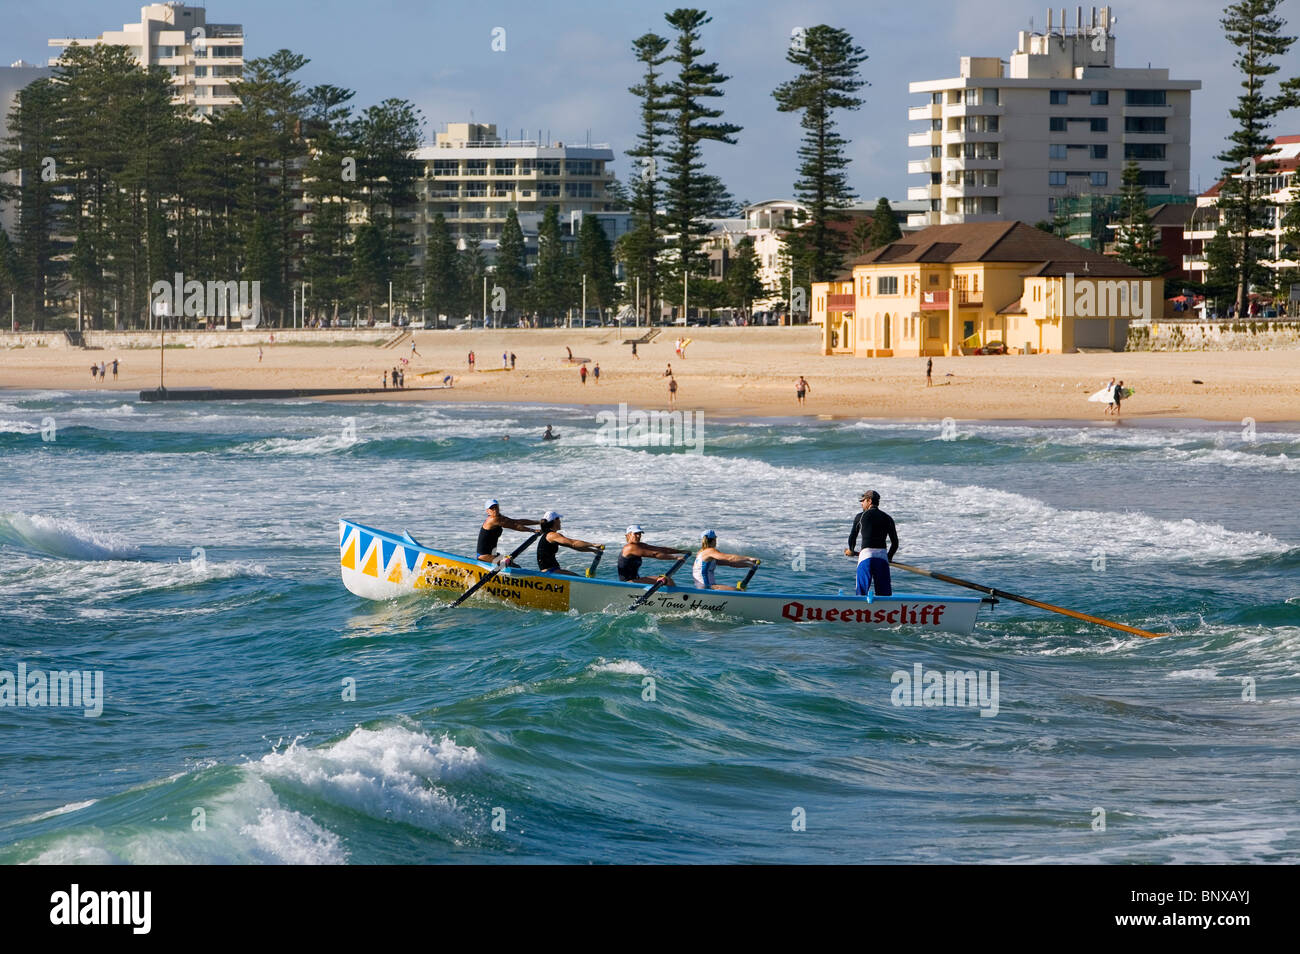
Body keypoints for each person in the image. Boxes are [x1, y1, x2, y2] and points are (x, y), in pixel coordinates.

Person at [845, 490, 898, 597]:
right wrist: (889, 557)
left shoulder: (861, 516)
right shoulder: (887, 518)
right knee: (884, 595)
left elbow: (852, 537)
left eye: (863, 501)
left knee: (861, 594)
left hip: (866, 557)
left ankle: (861, 611)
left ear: (869, 501)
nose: (861, 503)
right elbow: (895, 543)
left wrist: (851, 550)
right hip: (882, 558)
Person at [536, 511, 602, 575]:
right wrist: (593, 544)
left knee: (578, 578)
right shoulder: (552, 535)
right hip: (549, 572)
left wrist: (592, 550)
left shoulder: (552, 535)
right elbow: (573, 543)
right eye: (559, 519)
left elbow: (574, 546)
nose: (560, 522)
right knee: (578, 578)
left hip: (552, 570)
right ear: (555, 521)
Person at [477, 499, 541, 565]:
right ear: (487, 511)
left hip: (492, 554)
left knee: (515, 566)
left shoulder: (499, 517)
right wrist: (532, 530)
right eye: (492, 508)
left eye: (496, 507)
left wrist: (538, 522)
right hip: (484, 556)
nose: (495, 509)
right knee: (510, 564)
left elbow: (517, 522)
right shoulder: (493, 520)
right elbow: (515, 526)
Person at [618, 525, 688, 585]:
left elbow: (660, 549)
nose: (639, 536)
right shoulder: (630, 548)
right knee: (668, 580)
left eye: (640, 534)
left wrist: (680, 551)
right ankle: (674, 599)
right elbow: (655, 554)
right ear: (629, 534)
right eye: (636, 534)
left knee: (665, 580)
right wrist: (676, 558)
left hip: (636, 579)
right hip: (628, 583)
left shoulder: (639, 545)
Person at [692, 531, 760, 590]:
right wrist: (748, 558)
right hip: (707, 587)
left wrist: (747, 564)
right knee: (737, 591)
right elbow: (730, 558)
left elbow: (730, 563)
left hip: (701, 587)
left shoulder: (700, 553)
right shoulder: (710, 551)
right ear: (713, 540)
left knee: (736, 590)